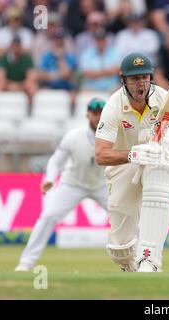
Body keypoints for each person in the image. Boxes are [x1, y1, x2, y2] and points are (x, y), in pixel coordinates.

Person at [95, 52, 169, 272]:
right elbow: (101, 155)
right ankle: (133, 268)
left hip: (156, 158)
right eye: (134, 78)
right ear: (124, 81)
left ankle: (150, 259)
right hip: (123, 166)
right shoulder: (113, 106)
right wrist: (132, 154)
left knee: (161, 161)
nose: (141, 83)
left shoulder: (163, 98)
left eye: (145, 77)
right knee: (120, 248)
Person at [15, 98, 108, 272]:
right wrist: (50, 178)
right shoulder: (74, 136)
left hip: (103, 184)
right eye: (95, 113)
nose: (98, 117)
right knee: (48, 216)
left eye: (101, 114)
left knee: (128, 217)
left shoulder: (114, 136)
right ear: (87, 114)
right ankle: (26, 262)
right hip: (73, 184)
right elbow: (56, 161)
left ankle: (142, 261)